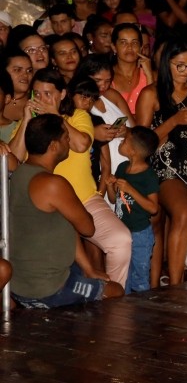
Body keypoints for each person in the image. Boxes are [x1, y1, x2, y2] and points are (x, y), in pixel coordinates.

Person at [9, 114, 124, 308]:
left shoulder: (19, 173)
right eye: (65, 138)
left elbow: (67, 226)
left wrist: (89, 269)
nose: (68, 142)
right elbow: (87, 228)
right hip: (47, 288)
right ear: (54, 146)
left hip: (20, 281)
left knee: (86, 275)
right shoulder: (53, 184)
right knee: (116, 291)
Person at [135, 39, 187, 285]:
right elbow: (141, 142)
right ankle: (176, 284)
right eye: (179, 65)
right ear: (166, 63)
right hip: (165, 164)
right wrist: (173, 121)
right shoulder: (151, 94)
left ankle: (180, 276)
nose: (185, 71)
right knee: (182, 213)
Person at [104, 126, 160, 293]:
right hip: (122, 231)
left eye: (125, 140)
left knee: (139, 275)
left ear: (133, 151)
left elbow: (153, 208)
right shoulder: (122, 168)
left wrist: (130, 189)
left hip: (140, 234)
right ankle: (126, 305)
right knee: (124, 275)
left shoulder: (148, 176)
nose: (121, 141)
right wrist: (110, 186)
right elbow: (114, 200)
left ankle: (142, 306)